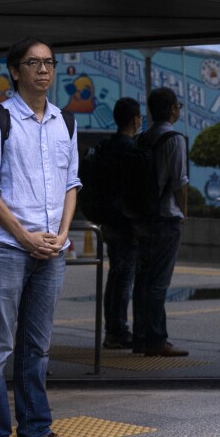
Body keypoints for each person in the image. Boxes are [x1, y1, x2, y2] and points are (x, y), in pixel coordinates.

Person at [0, 38, 86, 437]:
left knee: (37, 347)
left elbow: (72, 184)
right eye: (32, 63)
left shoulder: (65, 122)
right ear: (14, 71)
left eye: (49, 63)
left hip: (52, 249)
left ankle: (36, 431)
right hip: (5, 248)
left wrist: (61, 234)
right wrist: (24, 236)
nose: (43, 70)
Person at [132, 87, 191, 357]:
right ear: (172, 109)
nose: (179, 109)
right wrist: (185, 211)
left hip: (142, 217)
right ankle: (157, 340)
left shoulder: (142, 137)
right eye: (177, 105)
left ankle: (140, 337)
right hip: (165, 218)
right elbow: (179, 182)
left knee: (143, 279)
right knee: (158, 282)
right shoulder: (174, 139)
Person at [97, 98, 142, 349]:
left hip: (108, 220)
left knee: (115, 275)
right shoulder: (131, 149)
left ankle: (112, 328)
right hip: (126, 222)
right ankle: (118, 330)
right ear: (136, 120)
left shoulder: (106, 145)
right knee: (124, 276)